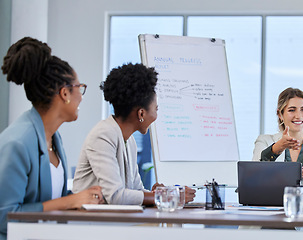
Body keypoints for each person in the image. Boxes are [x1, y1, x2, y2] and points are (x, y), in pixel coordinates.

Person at [0, 37, 104, 240]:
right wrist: (70, 201)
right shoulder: (17, 143)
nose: (81, 96)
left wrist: (81, 197)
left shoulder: (54, 139)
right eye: (79, 88)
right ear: (65, 93)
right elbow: (5, 217)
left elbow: (48, 198)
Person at [72, 63, 196, 205]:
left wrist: (158, 193)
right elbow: (116, 196)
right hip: (88, 223)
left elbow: (135, 191)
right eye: (156, 109)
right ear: (141, 113)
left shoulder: (129, 140)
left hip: (110, 222)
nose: (156, 115)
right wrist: (167, 197)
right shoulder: (103, 135)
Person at [252, 87, 303, 202]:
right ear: (280, 114)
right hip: (271, 216)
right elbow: (254, 181)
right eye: (292, 110)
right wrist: (277, 148)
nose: (298, 115)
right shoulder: (264, 141)